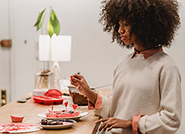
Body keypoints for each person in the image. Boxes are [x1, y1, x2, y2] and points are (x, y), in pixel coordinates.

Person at [71, 0, 182, 133]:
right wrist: (88, 93)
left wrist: (131, 123)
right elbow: (115, 110)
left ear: (144, 24)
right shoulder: (124, 63)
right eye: (119, 24)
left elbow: (171, 119)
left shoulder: (166, 66)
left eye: (126, 24)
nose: (120, 30)